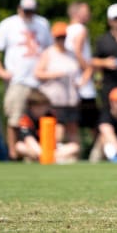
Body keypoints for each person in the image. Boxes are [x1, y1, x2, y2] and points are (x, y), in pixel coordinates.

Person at [0, 0, 52, 160]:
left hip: (39, 80)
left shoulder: (42, 24)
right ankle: (13, 153)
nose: (29, 14)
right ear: (19, 9)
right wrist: (0, 70)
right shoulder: (9, 24)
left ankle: (40, 151)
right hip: (18, 79)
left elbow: (49, 49)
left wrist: (47, 72)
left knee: (43, 117)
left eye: (31, 11)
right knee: (14, 117)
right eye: (26, 11)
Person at [34, 21, 81, 149]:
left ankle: (74, 155)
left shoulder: (71, 54)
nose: (61, 40)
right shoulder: (48, 53)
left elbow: (86, 68)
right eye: (58, 37)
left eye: (63, 37)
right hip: (54, 99)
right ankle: (53, 153)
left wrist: (81, 82)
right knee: (58, 129)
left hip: (70, 98)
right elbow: (38, 73)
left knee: (73, 128)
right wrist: (55, 75)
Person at [64, 1, 100, 154]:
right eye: (86, 11)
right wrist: (88, 69)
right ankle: (97, 152)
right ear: (77, 13)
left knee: (73, 123)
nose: (89, 14)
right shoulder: (81, 29)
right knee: (94, 122)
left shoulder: (66, 30)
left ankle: (76, 151)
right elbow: (78, 51)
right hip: (83, 83)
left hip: (70, 81)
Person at [15, 90, 80, 163]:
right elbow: (29, 140)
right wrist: (42, 153)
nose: (41, 109)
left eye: (43, 106)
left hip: (52, 148)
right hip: (36, 147)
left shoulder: (52, 116)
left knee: (74, 147)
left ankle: (44, 158)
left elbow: (58, 138)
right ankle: (46, 158)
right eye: (38, 106)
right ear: (31, 107)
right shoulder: (26, 119)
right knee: (19, 146)